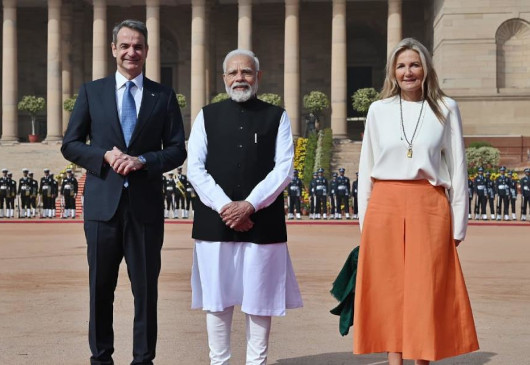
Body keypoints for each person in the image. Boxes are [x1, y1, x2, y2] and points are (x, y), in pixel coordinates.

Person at [61, 19, 187, 364]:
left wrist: (143, 160)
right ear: (114, 49)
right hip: (103, 207)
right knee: (100, 289)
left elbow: (177, 149)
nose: (132, 52)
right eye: (126, 46)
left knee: (145, 292)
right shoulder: (92, 91)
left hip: (144, 207)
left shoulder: (163, 95)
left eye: (139, 46)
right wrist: (102, 155)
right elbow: (70, 145)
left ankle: (143, 359)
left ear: (147, 51)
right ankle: (101, 357)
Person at [355, 38, 479, 365]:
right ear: (392, 73)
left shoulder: (447, 108)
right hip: (384, 203)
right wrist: (364, 221)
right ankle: (395, 361)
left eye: (414, 64)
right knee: (389, 288)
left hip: (429, 203)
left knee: (426, 289)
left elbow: (458, 167)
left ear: (426, 68)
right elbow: (366, 167)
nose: (408, 72)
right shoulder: (378, 110)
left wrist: (459, 223)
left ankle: (421, 360)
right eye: (401, 66)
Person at [187, 49, 303, 365]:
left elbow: (284, 169)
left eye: (247, 72)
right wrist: (227, 207)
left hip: (262, 221)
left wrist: (250, 205)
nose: (240, 78)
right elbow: (194, 168)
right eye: (233, 73)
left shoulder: (276, 116)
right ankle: (219, 361)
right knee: (217, 300)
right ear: (224, 78)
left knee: (259, 301)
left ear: (258, 77)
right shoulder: (206, 115)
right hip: (215, 221)